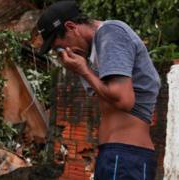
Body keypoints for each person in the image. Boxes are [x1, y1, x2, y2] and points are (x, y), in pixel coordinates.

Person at [36, 1, 161, 179]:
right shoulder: (96, 51)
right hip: (112, 155)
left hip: (126, 157)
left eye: (60, 46)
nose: (63, 52)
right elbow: (106, 99)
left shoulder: (111, 32)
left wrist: (84, 70)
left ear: (71, 27)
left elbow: (124, 100)